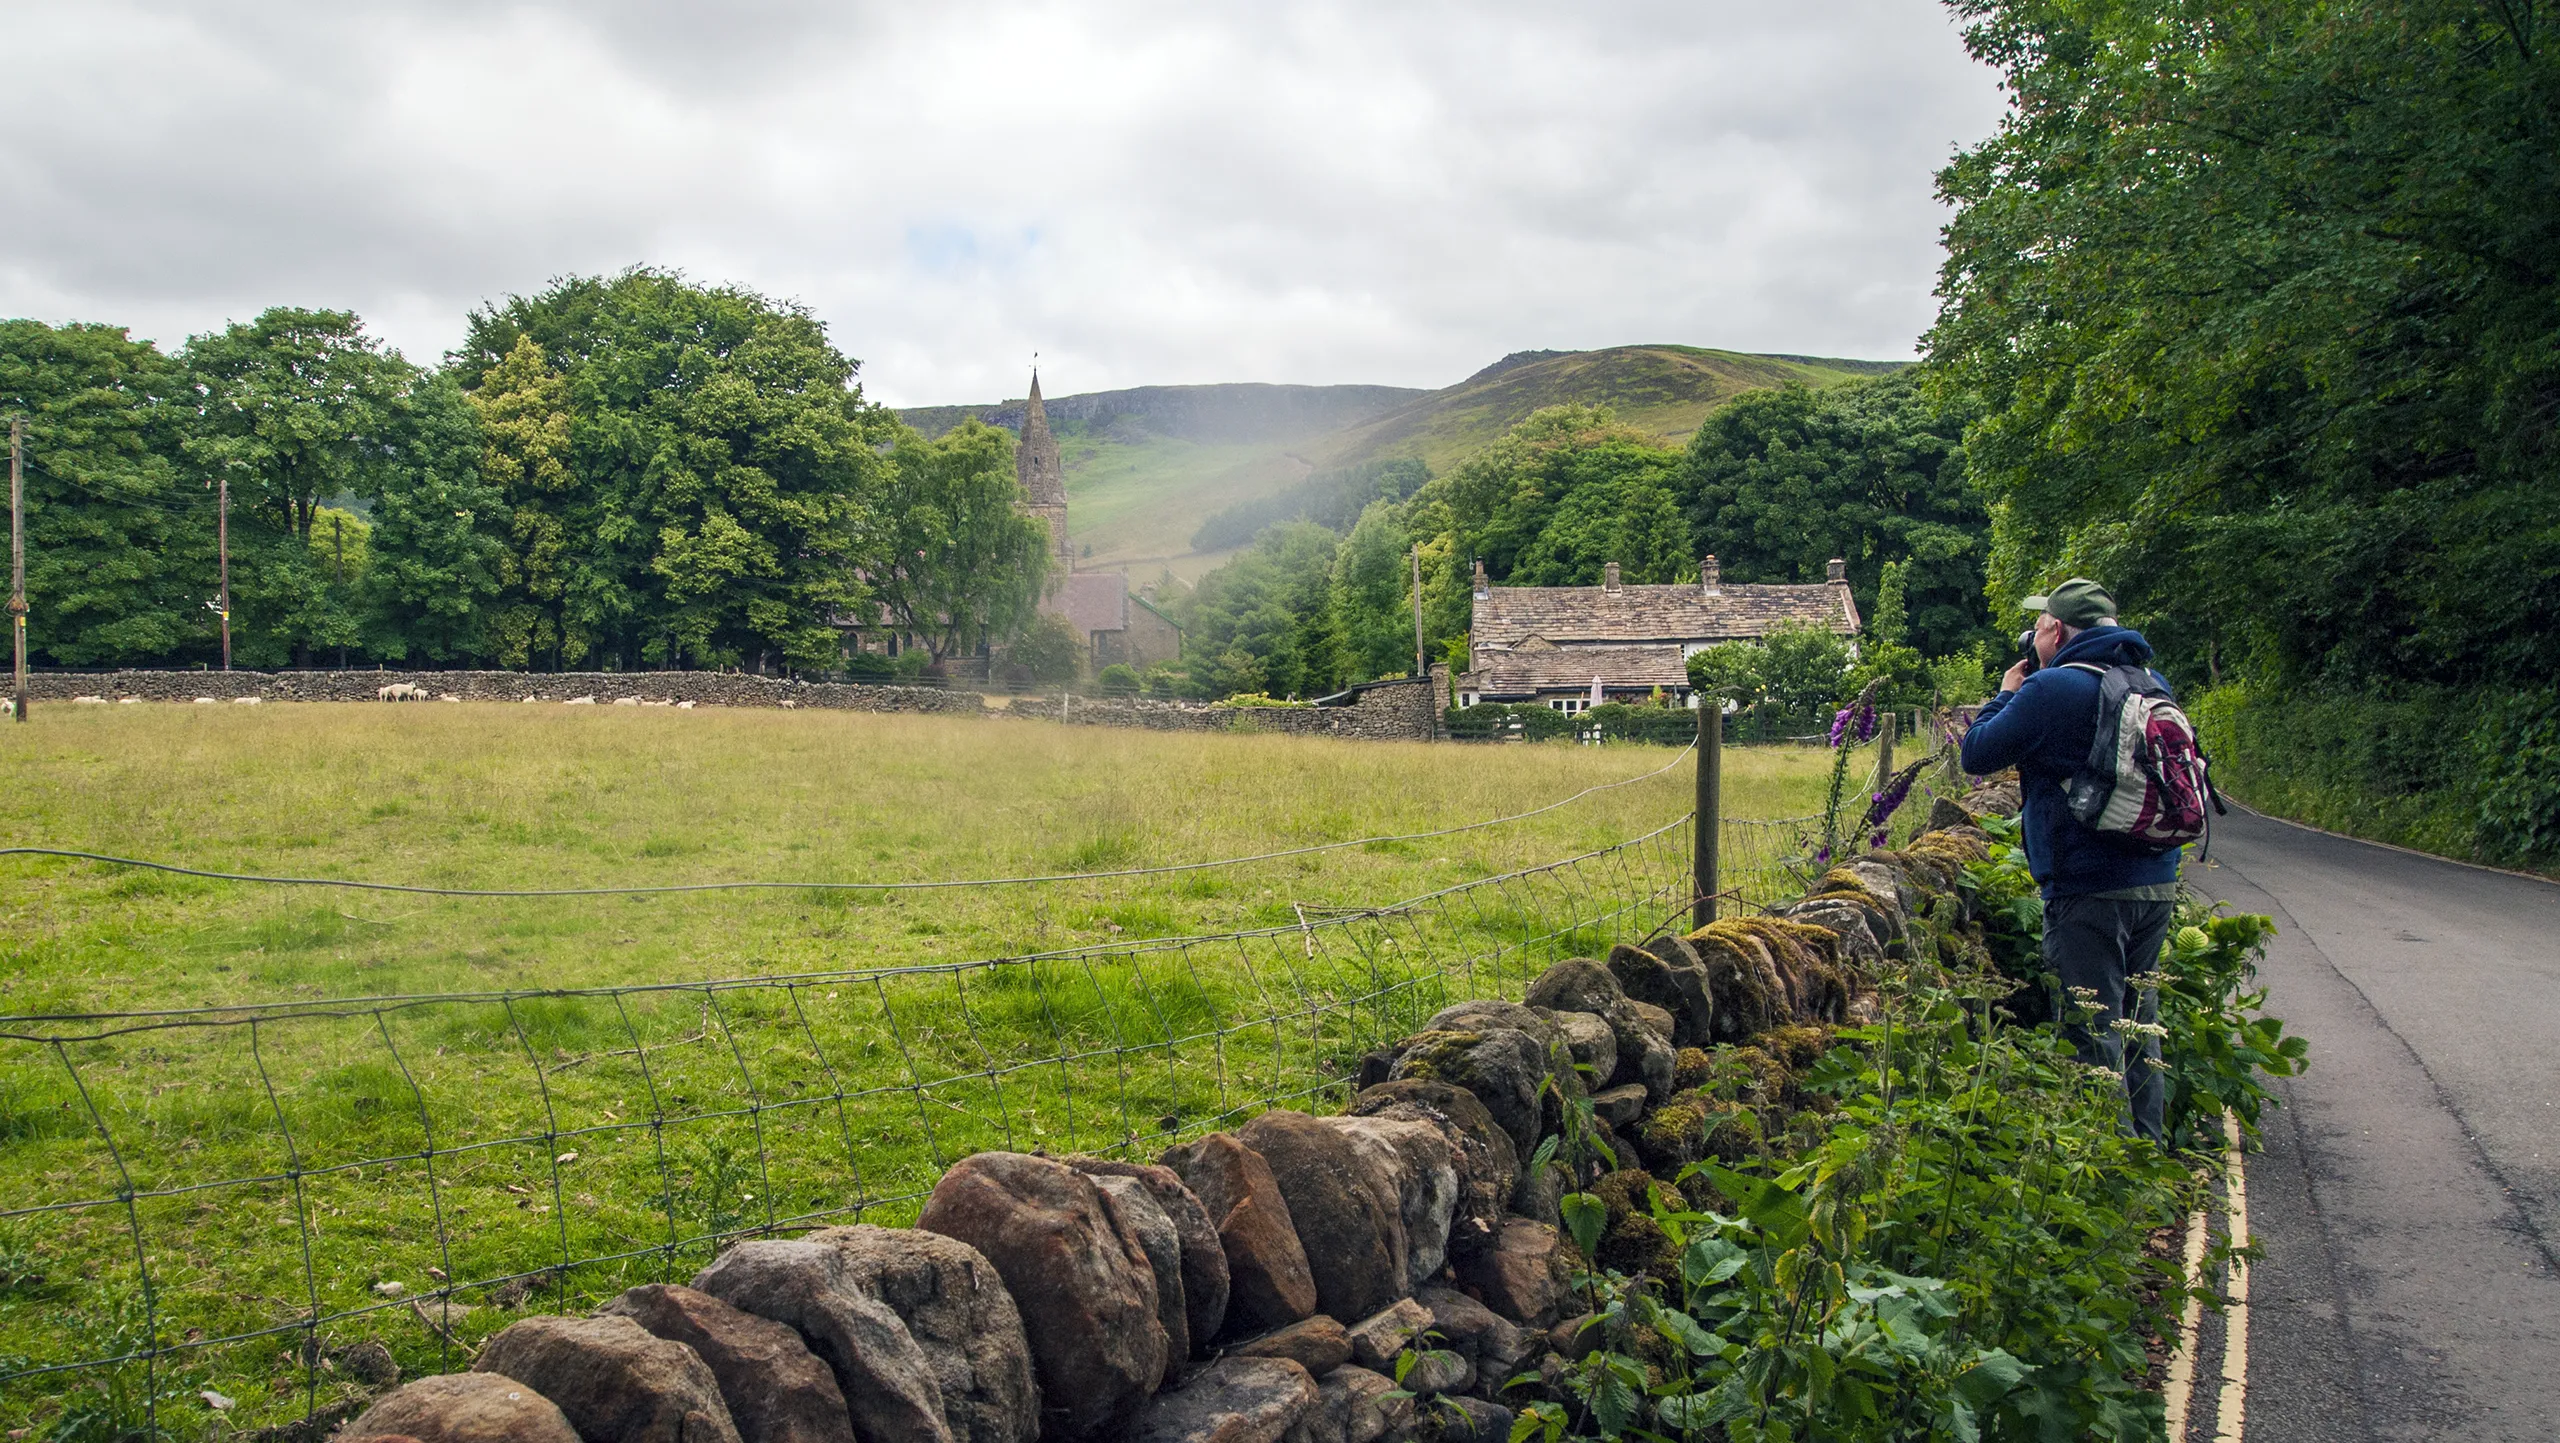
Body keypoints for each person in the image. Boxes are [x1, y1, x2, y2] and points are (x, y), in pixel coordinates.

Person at [1959, 578, 2177, 1142]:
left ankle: (2112, 1168)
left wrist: (2007, 692)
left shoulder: (2053, 689)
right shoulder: (2151, 682)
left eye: (2039, 626)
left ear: (2054, 629)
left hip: (2087, 885)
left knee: (2094, 1025)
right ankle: (2149, 1153)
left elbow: (1977, 754)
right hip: (2156, 879)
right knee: (2138, 1023)